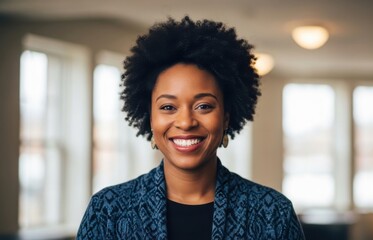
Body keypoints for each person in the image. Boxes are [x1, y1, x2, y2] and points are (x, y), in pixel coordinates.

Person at [77, 16, 305, 240]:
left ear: (226, 118)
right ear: (149, 118)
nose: (186, 122)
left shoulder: (273, 213)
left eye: (203, 106)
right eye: (168, 106)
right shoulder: (107, 212)